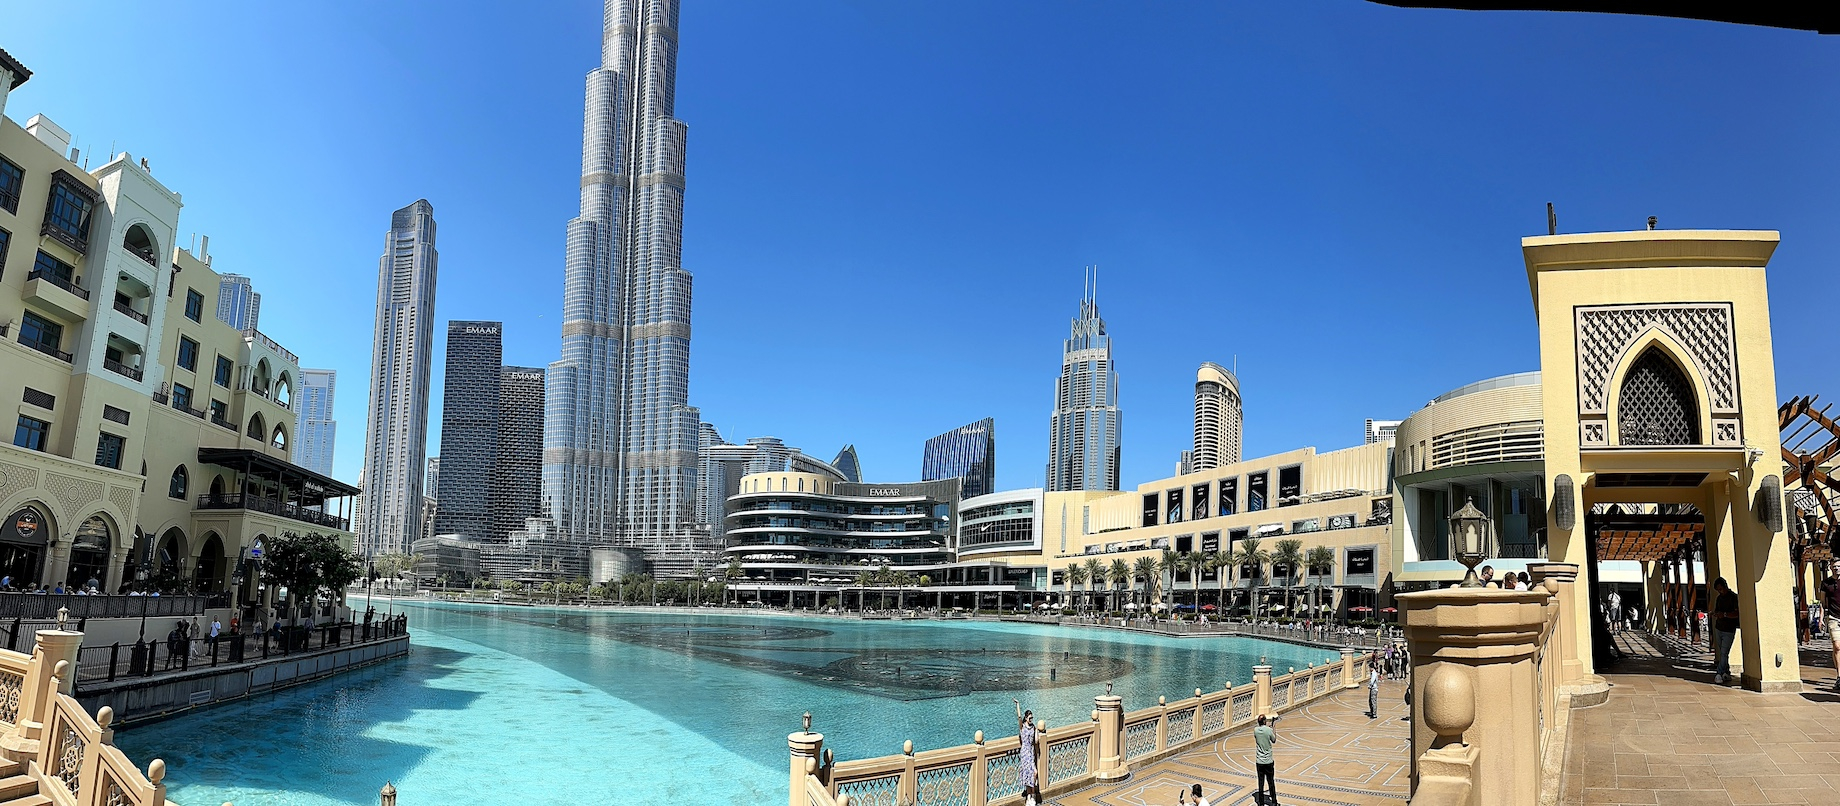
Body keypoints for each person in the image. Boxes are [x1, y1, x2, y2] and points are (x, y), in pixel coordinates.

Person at [1710, 578, 1740, 685]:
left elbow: (1737, 613)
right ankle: (1726, 672)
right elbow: (1717, 610)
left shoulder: (1733, 597)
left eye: (1721, 589)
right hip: (1719, 627)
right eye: (1718, 590)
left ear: (1725, 586)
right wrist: (1715, 614)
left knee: (1724, 652)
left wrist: (1725, 615)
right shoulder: (1719, 598)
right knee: (1722, 652)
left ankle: (1719, 673)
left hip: (1729, 629)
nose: (1720, 591)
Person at [1014, 700, 1039, 806]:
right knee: (1027, 774)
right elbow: (1019, 717)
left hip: (1031, 752)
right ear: (1026, 718)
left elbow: (1036, 741)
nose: (1031, 719)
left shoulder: (1033, 727)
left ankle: (1032, 794)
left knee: (1034, 772)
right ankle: (1029, 796)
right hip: (1024, 752)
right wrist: (1018, 705)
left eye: (1032, 718)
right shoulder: (1022, 726)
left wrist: (1037, 731)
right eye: (1030, 718)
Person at [1253, 714, 1279, 805]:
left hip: (1259, 761)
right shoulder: (1268, 730)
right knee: (1270, 782)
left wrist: (1267, 728)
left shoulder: (1255, 730)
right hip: (1268, 761)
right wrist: (1273, 728)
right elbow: (1273, 740)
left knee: (1261, 783)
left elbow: (1261, 734)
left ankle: (1261, 803)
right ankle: (1274, 801)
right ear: (1264, 721)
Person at [1821, 564, 1840, 691]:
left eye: (1839, 566)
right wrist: (1821, 618)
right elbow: (1822, 602)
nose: (1836, 568)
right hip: (1833, 617)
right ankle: (1839, 676)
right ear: (1830, 568)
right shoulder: (1826, 583)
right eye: (1834, 566)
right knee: (1837, 647)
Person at [1367, 654, 1382, 718]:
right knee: (1370, 700)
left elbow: (1372, 681)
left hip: (1374, 689)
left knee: (1373, 701)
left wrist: (1369, 685)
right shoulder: (1373, 673)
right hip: (1373, 688)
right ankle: (1372, 711)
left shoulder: (1374, 673)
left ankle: (1374, 714)